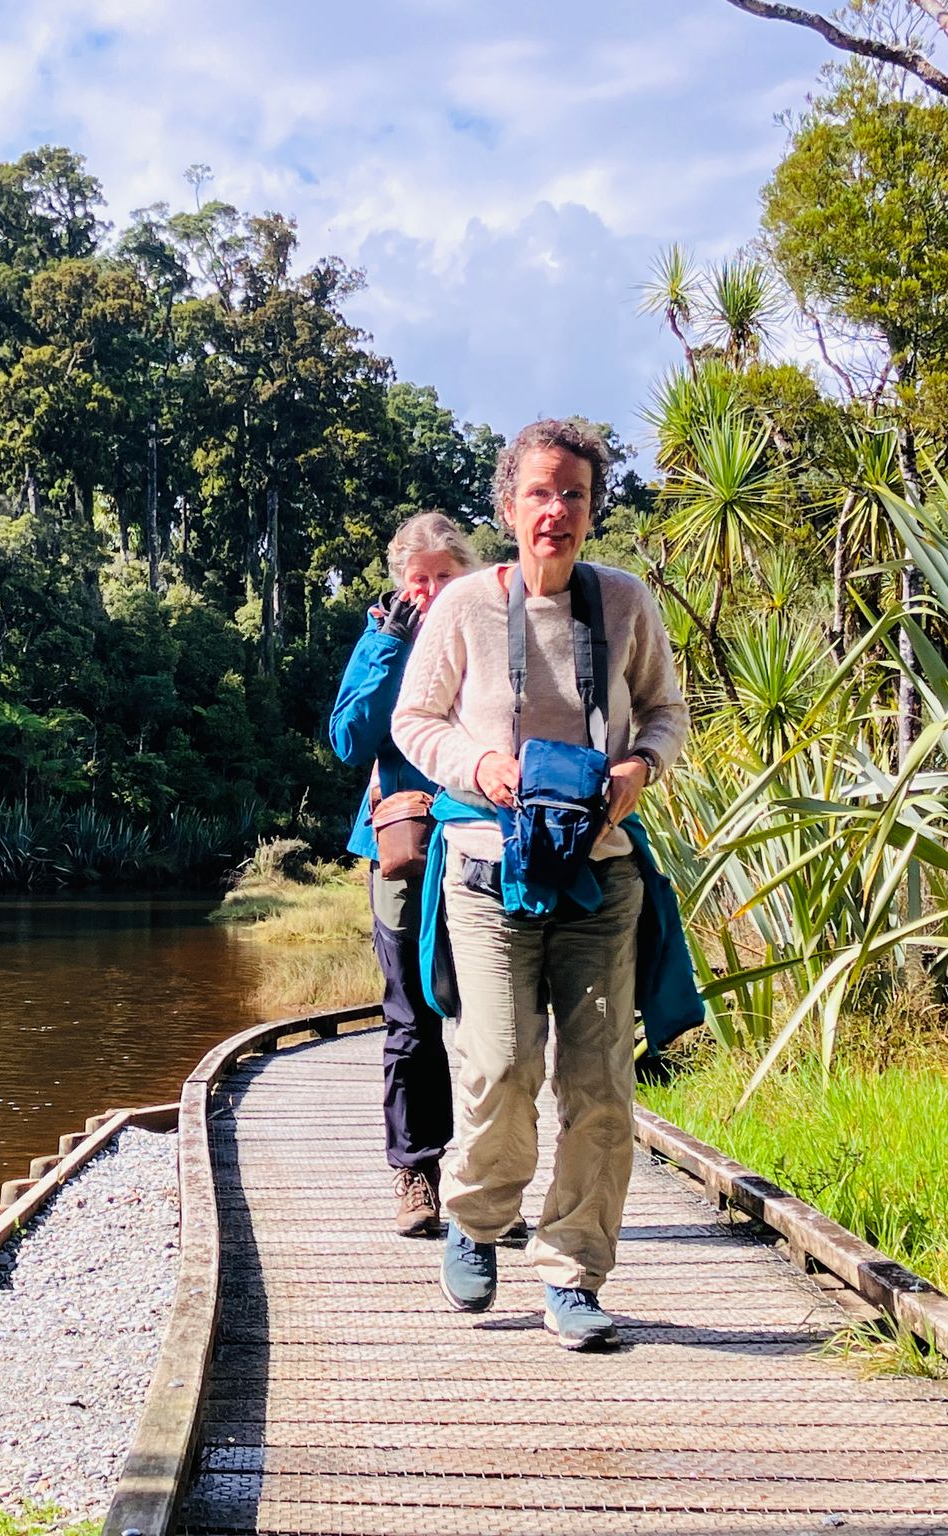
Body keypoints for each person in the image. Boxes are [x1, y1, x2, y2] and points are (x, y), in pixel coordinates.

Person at [391, 419, 692, 1350]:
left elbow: (667, 712)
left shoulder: (626, 603)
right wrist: (483, 770)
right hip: (488, 870)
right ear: (508, 505)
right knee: (503, 1063)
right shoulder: (468, 608)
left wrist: (642, 766)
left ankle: (573, 1273)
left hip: (599, 876)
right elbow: (415, 719)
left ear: (592, 508)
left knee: (600, 1084)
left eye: (574, 494)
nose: (556, 510)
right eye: (539, 493)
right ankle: (476, 1218)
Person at [327, 511, 474, 1238]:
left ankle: (483, 1183)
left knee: (487, 1018)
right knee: (410, 1018)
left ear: (467, 573)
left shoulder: (493, 630)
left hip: (484, 838)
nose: (433, 592)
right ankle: (415, 1175)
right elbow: (351, 741)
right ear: (400, 584)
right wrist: (390, 644)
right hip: (403, 845)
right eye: (420, 581)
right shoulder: (380, 637)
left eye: (446, 577)